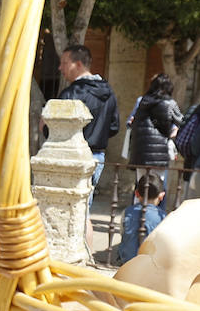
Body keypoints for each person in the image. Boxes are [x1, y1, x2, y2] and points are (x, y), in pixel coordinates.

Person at [56, 43, 119, 195]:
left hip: (73, 156)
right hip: (97, 157)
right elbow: (114, 127)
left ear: (78, 64)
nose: (60, 68)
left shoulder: (71, 93)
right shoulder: (109, 92)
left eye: (64, 63)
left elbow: (54, 129)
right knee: (84, 206)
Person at [127, 73, 182, 179]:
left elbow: (130, 123)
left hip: (140, 152)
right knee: (158, 185)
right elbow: (181, 121)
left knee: (141, 184)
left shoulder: (142, 101)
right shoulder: (170, 103)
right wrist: (174, 131)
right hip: (159, 153)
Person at [118, 173, 166, 265]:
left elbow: (122, 232)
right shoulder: (163, 216)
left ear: (136, 193)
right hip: (150, 263)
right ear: (161, 196)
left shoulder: (127, 211)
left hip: (127, 261)